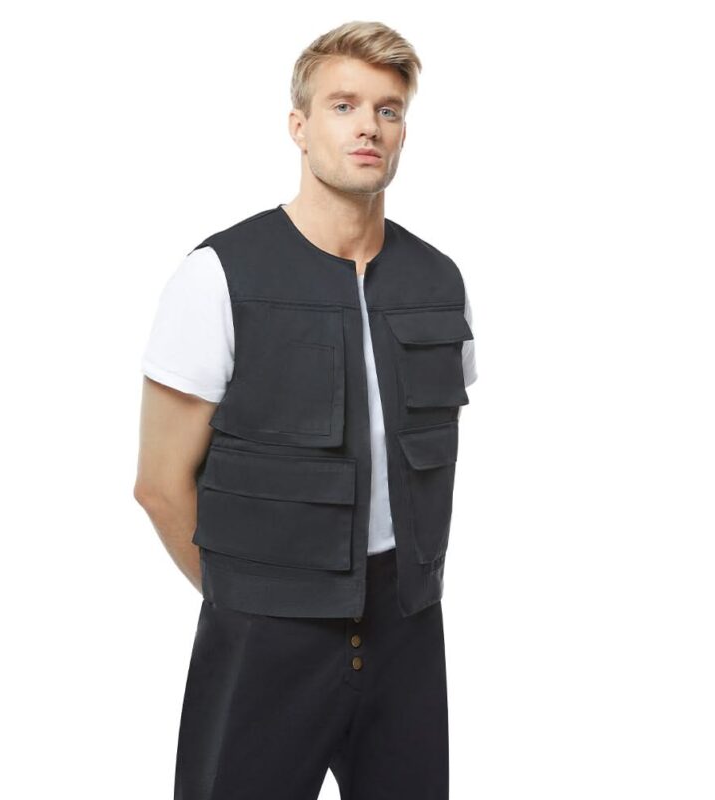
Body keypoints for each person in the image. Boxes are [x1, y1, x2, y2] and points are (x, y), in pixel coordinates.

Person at [134, 20, 477, 800]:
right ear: (299, 125)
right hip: (264, 630)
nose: (368, 127)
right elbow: (159, 485)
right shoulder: (218, 275)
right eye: (343, 105)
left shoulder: (438, 281)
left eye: (388, 110)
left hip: (406, 629)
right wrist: (251, 599)